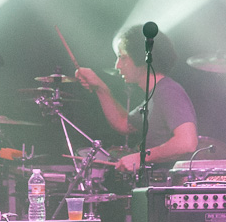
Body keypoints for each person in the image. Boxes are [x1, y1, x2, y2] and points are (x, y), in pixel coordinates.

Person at [75, 24, 197, 173]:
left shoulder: (168, 91)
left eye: (122, 57)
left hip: (166, 189)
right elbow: (123, 124)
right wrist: (100, 87)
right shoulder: (154, 95)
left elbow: (187, 142)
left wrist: (141, 157)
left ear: (142, 59)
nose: (117, 65)